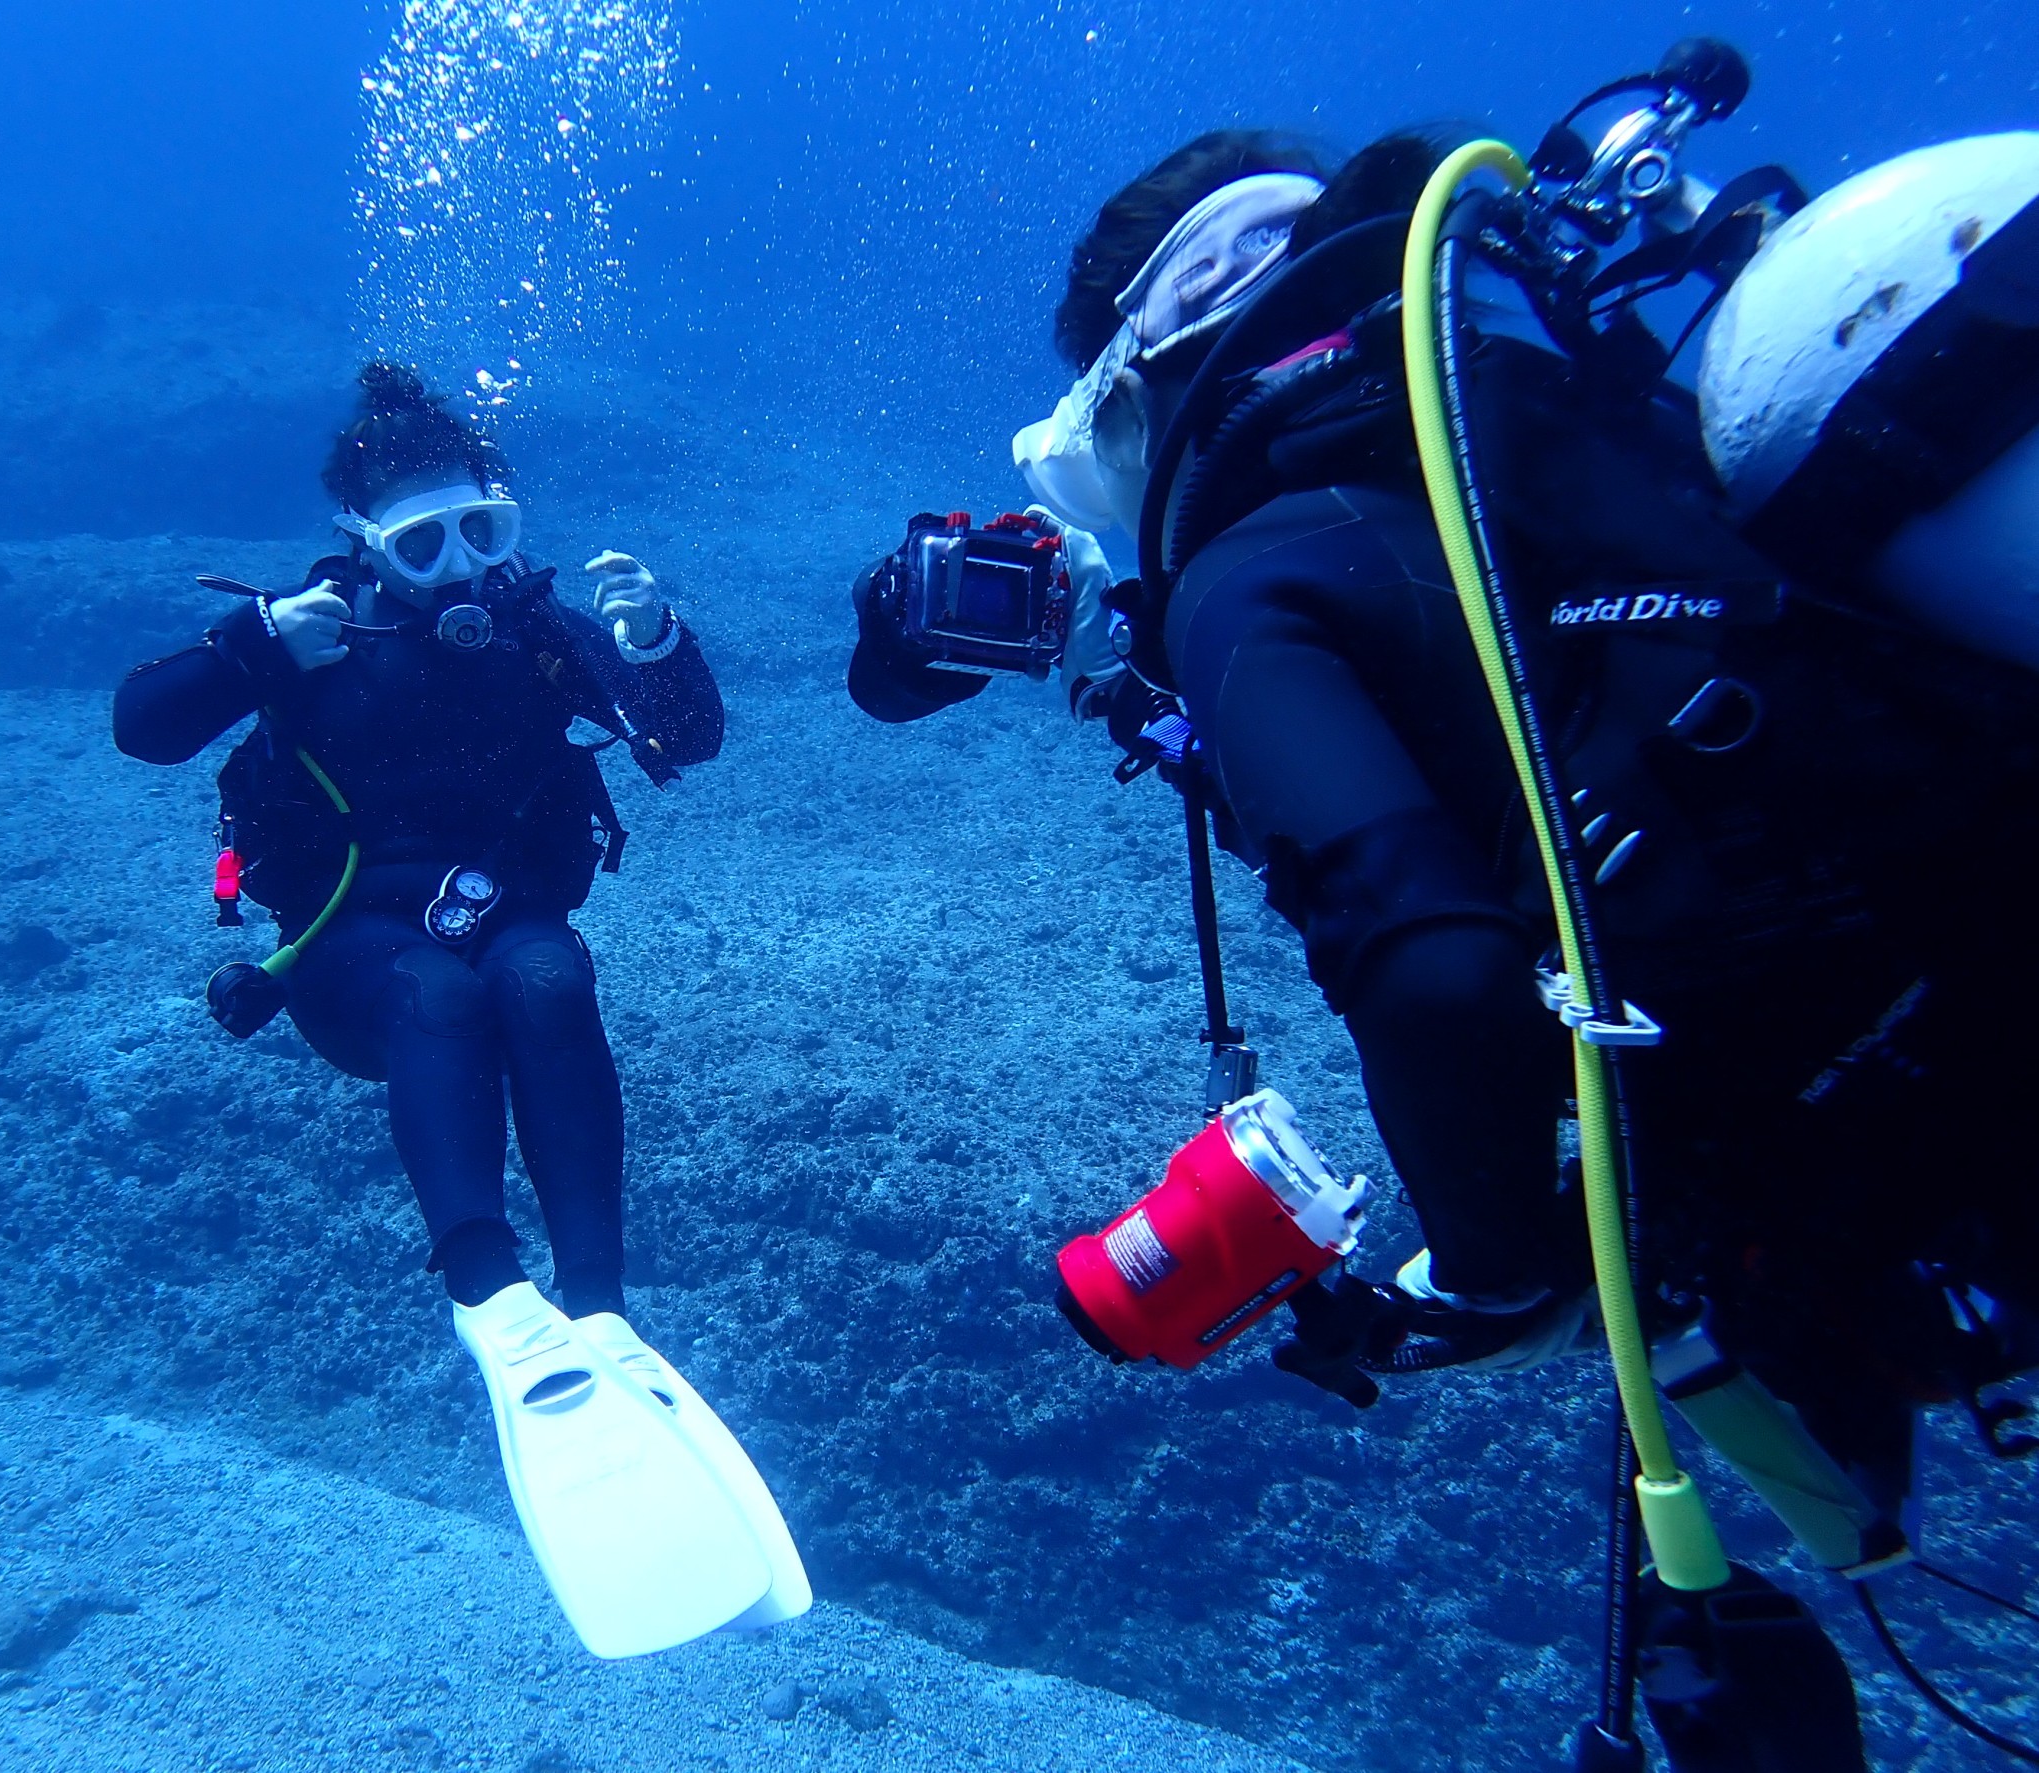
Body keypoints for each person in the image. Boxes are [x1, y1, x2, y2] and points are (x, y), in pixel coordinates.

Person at [849, 102, 2039, 1770]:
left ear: (1147, 381)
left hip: (1827, 1103)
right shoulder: (1632, 418)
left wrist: (1493, 1271)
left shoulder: (1250, 570)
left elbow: (1434, 966)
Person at [115, 362, 809, 1658]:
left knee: (548, 975)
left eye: (483, 531)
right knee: (438, 996)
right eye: (423, 544)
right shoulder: (320, 632)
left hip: (507, 915)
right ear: (368, 547)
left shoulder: (539, 633)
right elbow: (143, 726)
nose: (459, 567)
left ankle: (597, 1304)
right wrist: (255, 643)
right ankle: (490, 1294)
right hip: (348, 954)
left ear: (510, 519)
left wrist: (655, 640)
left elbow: (685, 739)